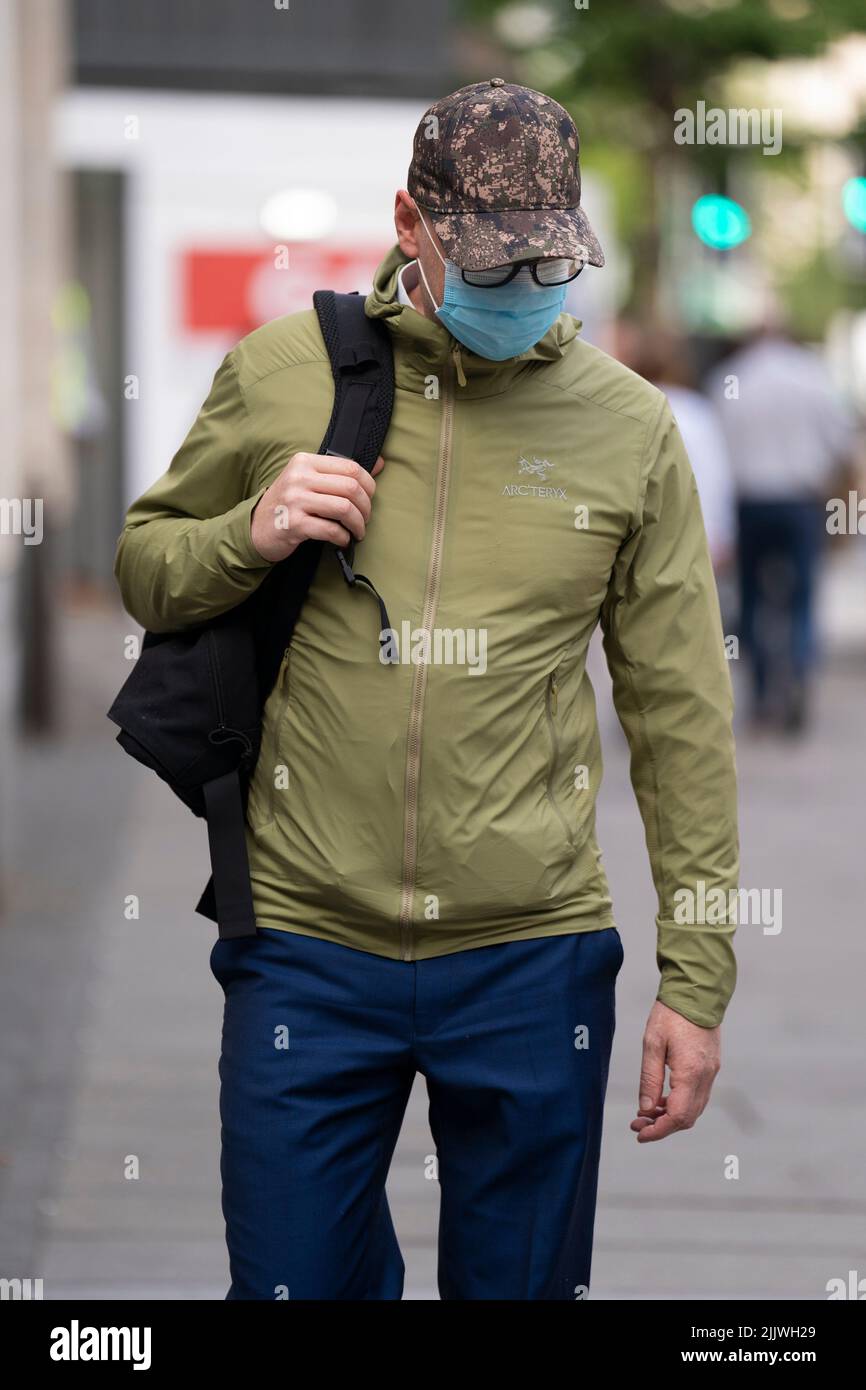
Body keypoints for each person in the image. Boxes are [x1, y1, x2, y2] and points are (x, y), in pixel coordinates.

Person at [114, 79, 738, 1301]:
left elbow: (681, 717)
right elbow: (147, 568)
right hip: (304, 942)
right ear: (411, 223)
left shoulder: (628, 428)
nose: (526, 291)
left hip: (531, 955)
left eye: (548, 262)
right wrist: (253, 526)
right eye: (492, 262)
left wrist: (696, 979)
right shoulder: (282, 369)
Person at [708, 328, 856, 733]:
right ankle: (799, 675)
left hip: (750, 501)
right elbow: (841, 439)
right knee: (803, 596)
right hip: (799, 499)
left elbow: (717, 444)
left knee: (752, 597)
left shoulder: (733, 376)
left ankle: (759, 694)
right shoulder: (811, 375)